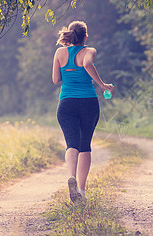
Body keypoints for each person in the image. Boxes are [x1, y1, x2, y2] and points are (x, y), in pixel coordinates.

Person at [52, 20, 114, 202]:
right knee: (85, 145)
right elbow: (87, 64)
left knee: (72, 144)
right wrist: (103, 85)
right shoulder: (89, 51)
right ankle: (81, 190)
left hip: (66, 103)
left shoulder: (59, 52)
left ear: (70, 35)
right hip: (88, 102)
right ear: (85, 35)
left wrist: (68, 70)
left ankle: (71, 176)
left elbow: (56, 79)